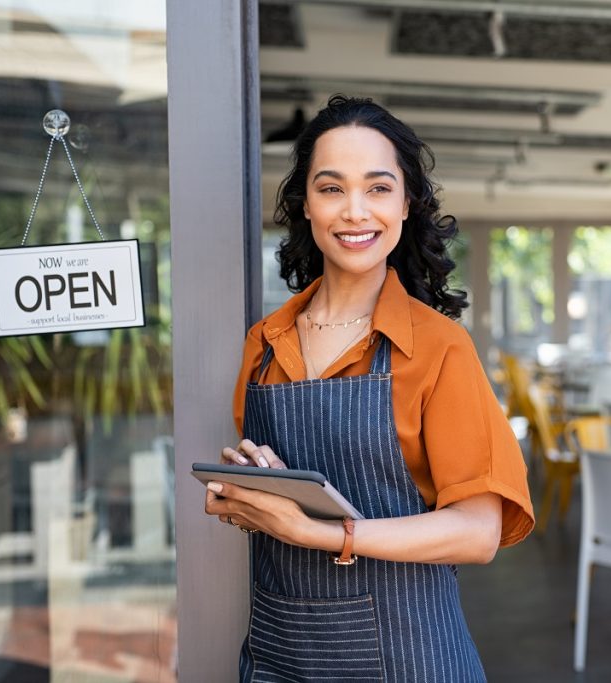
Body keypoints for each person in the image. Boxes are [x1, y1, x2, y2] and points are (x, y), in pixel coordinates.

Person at [205, 94, 534, 682]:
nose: (355, 211)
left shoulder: (439, 348)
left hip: (410, 655)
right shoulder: (264, 344)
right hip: (284, 655)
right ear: (305, 204)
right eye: (332, 188)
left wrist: (323, 532)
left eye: (379, 188)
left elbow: (479, 531)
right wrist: (246, 497)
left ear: (406, 205)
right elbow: (277, 495)